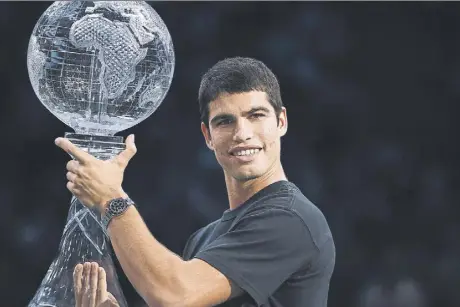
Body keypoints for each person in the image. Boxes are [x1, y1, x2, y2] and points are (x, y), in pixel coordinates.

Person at [57, 57, 335, 307]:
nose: (242, 133)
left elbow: (175, 295)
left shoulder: (292, 220)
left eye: (256, 115)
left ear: (281, 121)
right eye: (225, 121)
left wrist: (111, 199)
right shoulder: (203, 240)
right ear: (208, 136)